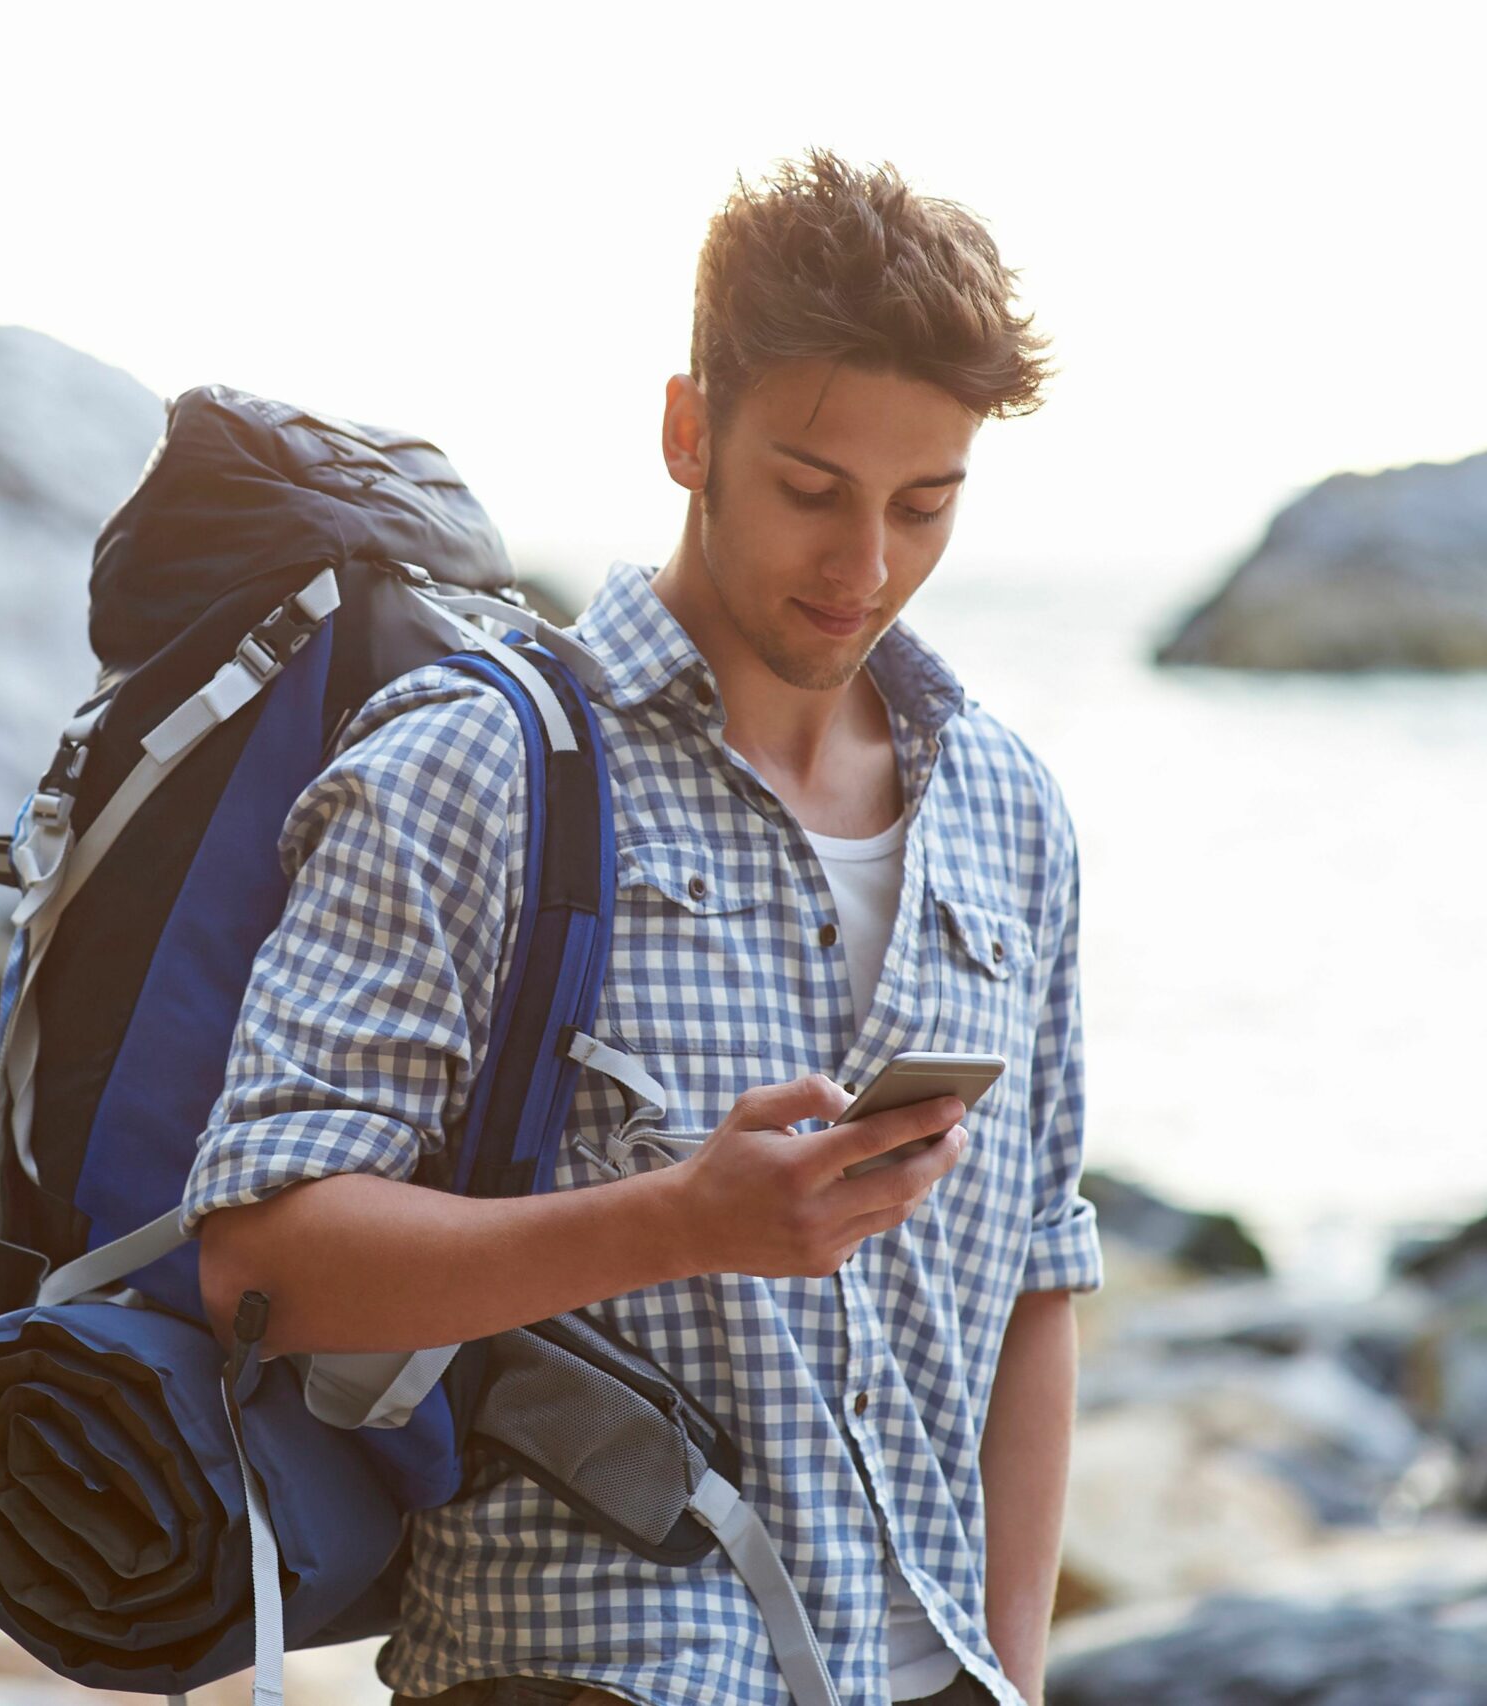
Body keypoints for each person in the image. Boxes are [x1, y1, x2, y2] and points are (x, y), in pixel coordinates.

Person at [183, 146, 1100, 1706]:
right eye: (812, 490)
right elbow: (261, 1255)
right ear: (690, 431)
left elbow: (1036, 1273)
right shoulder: (471, 765)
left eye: (924, 504)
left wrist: (1010, 1674)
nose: (865, 567)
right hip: (586, 1672)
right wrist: (686, 1218)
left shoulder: (1009, 807)